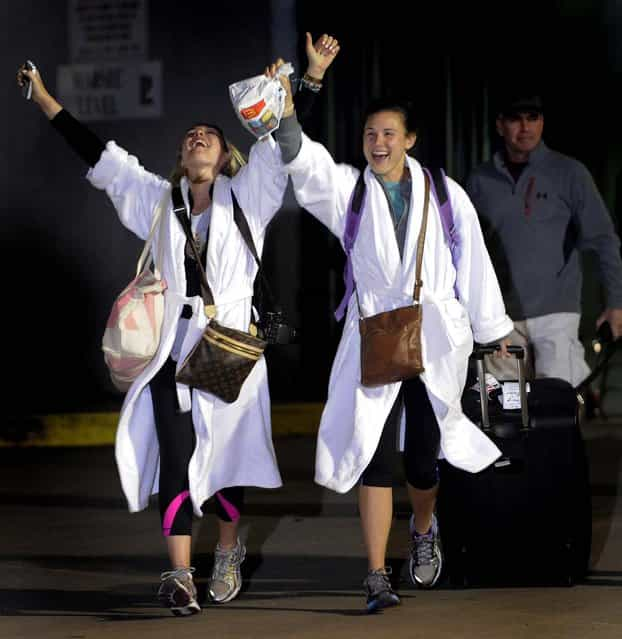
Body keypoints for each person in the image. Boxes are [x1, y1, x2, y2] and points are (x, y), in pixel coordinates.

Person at [16, 32, 339, 617]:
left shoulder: (251, 195)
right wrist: (43, 98)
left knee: (227, 461)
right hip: (172, 350)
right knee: (175, 453)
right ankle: (180, 573)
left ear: (224, 154)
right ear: (182, 154)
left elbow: (284, 141)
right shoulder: (158, 202)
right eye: (192, 135)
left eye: (210, 135)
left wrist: (304, 82)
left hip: (230, 347)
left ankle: (228, 551)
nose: (199, 138)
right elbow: (100, 158)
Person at [280, 96, 513, 611]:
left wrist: (495, 329)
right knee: (373, 455)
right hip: (378, 335)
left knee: (425, 459)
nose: (378, 144)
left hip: (434, 338)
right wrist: (287, 107)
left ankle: (424, 527)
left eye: (388, 134)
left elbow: (471, 261)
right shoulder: (350, 193)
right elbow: (303, 160)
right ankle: (376, 574)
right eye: (369, 135)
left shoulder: (446, 195)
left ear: (409, 140)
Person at [465, 90, 622, 387]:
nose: (525, 127)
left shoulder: (570, 173)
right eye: (515, 119)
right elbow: (464, 250)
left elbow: (604, 239)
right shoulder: (479, 180)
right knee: (506, 412)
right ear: (500, 125)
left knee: (559, 409)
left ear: (542, 123)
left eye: (533, 118)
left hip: (556, 314)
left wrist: (616, 304)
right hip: (500, 318)